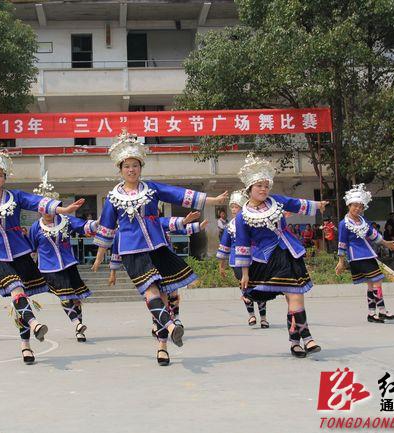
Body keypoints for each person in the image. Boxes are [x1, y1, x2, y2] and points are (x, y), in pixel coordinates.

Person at [91, 130, 228, 366]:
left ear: (141, 167)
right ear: (120, 169)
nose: (131, 170)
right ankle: (172, 327)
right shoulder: (113, 197)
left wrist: (212, 201)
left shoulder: (152, 189)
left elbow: (178, 194)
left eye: (135, 165)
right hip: (132, 252)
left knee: (163, 296)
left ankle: (162, 346)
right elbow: (106, 228)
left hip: (159, 248)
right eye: (127, 166)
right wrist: (99, 257)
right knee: (151, 292)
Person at [0, 144, 84, 365]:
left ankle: (25, 345)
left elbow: (37, 202)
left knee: (20, 300)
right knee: (17, 290)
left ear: (4, 178)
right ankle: (35, 324)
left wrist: (62, 210)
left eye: (0, 175)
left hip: (20, 254)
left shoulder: (15, 197)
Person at [234, 153, 327, 358]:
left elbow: (295, 203)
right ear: (249, 188)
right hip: (268, 260)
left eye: (266, 186)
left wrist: (317, 205)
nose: (263, 189)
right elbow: (242, 245)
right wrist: (245, 273)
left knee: (295, 297)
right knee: (293, 296)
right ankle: (305, 339)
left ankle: (298, 342)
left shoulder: (276, 201)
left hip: (290, 253)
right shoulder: (242, 217)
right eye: (259, 186)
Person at [110, 211, 207, 336]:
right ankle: (158, 323)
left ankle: (175, 318)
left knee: (173, 292)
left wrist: (197, 226)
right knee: (155, 296)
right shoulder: (122, 232)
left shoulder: (155, 222)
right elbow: (115, 252)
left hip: (166, 261)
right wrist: (113, 272)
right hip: (148, 265)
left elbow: (177, 227)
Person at [28, 172, 98, 342]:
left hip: (69, 264)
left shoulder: (65, 220)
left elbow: (83, 227)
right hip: (49, 268)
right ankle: (76, 324)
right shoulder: (36, 227)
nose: (47, 212)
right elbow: (30, 249)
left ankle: (79, 329)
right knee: (64, 296)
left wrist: (100, 222)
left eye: (50, 208)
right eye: (43, 209)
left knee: (76, 298)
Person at [335, 184, 394, 324]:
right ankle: (382, 310)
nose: (357, 208)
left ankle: (372, 313)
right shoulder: (344, 224)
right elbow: (342, 242)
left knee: (371, 284)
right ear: (349, 205)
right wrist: (341, 261)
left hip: (367, 254)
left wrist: (386, 243)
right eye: (355, 206)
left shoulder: (363, 221)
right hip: (357, 256)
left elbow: (373, 235)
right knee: (377, 281)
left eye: (360, 206)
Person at [218, 190, 270, 329]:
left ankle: (263, 318)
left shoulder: (253, 221)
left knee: (260, 287)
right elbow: (224, 246)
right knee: (244, 286)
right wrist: (221, 266)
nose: (233, 210)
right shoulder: (230, 226)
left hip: (256, 258)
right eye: (232, 207)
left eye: (236, 207)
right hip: (236, 260)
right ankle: (251, 315)